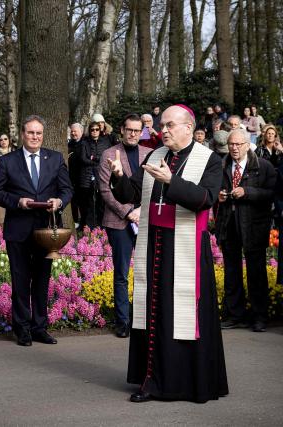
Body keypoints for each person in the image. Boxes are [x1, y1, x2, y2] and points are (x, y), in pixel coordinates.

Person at [107, 104, 228, 403]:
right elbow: (129, 193)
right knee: (155, 313)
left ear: (188, 127)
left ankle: (189, 382)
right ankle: (154, 379)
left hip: (187, 249)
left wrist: (170, 182)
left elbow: (206, 199)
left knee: (184, 313)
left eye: (170, 125)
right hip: (156, 245)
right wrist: (120, 175)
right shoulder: (155, 155)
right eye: (162, 125)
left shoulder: (208, 160)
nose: (164, 130)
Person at [0, 115, 73, 347]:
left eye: (38, 133)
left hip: (46, 231)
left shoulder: (55, 159)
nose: (35, 137)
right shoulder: (8, 161)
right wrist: (17, 201)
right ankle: (22, 328)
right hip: (18, 230)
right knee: (20, 280)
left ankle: (39, 327)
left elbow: (67, 189)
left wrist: (60, 201)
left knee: (42, 280)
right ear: (22, 135)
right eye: (30, 132)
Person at [216, 129, 276, 333]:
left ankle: (259, 317)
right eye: (231, 144)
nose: (234, 148)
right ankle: (235, 315)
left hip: (253, 226)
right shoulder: (223, 164)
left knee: (256, 273)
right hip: (229, 224)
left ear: (247, 144)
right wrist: (220, 196)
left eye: (238, 144)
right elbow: (214, 190)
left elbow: (271, 194)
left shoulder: (263, 166)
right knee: (232, 271)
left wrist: (247, 192)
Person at [98, 114, 152, 338]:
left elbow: (153, 188)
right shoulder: (108, 154)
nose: (132, 134)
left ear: (142, 132)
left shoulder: (148, 154)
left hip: (144, 220)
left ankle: (143, 319)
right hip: (118, 222)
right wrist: (127, 212)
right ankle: (123, 321)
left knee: (145, 273)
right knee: (121, 273)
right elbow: (104, 190)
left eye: (137, 131)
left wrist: (141, 211)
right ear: (122, 130)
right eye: (129, 129)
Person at [76, 121, 109, 229]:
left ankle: (100, 225)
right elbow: (83, 159)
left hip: (101, 175)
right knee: (86, 202)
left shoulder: (104, 142)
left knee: (101, 201)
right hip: (86, 176)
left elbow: (105, 158)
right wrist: (96, 160)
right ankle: (86, 226)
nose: (94, 132)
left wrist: (93, 158)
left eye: (97, 129)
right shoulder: (84, 143)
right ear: (89, 131)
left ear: (100, 130)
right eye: (92, 130)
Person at [67, 123, 84, 224]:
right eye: (72, 131)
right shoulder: (69, 145)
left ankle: (84, 223)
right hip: (71, 177)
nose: (73, 133)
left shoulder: (85, 143)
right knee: (73, 200)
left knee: (83, 202)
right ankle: (75, 220)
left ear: (81, 132)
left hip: (83, 177)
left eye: (75, 131)